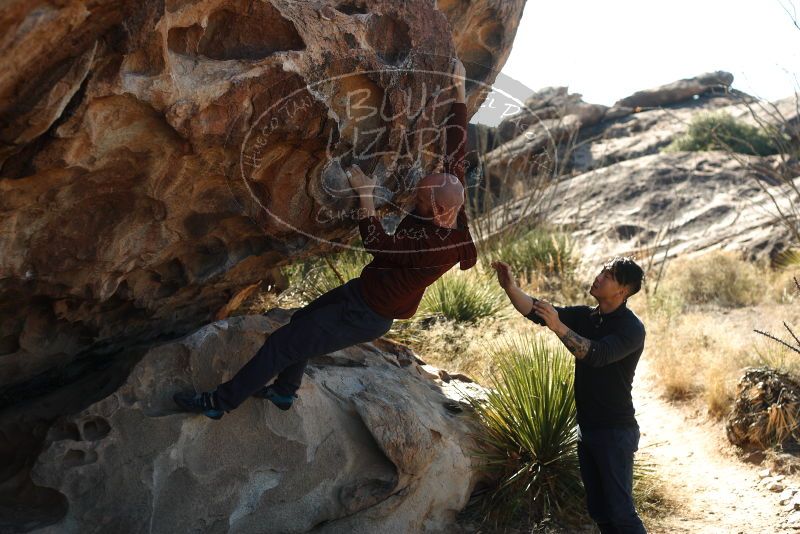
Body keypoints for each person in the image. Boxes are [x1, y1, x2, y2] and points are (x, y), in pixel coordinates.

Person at [173, 59, 477, 419]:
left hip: (367, 313)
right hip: (361, 293)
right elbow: (454, 147)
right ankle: (284, 393)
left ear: (437, 209)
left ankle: (217, 403)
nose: (414, 196)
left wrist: (366, 197)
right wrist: (459, 90)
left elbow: (381, 246)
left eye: (419, 199)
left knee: (282, 344)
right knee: (300, 324)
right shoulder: (450, 194)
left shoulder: (435, 248)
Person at [491, 256, 647, 534]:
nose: (599, 276)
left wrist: (559, 327)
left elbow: (598, 355)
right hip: (587, 429)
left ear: (622, 291)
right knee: (601, 512)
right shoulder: (590, 316)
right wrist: (510, 288)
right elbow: (537, 311)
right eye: (602, 270)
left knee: (622, 514)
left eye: (608, 275)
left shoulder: (631, 328)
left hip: (615, 433)